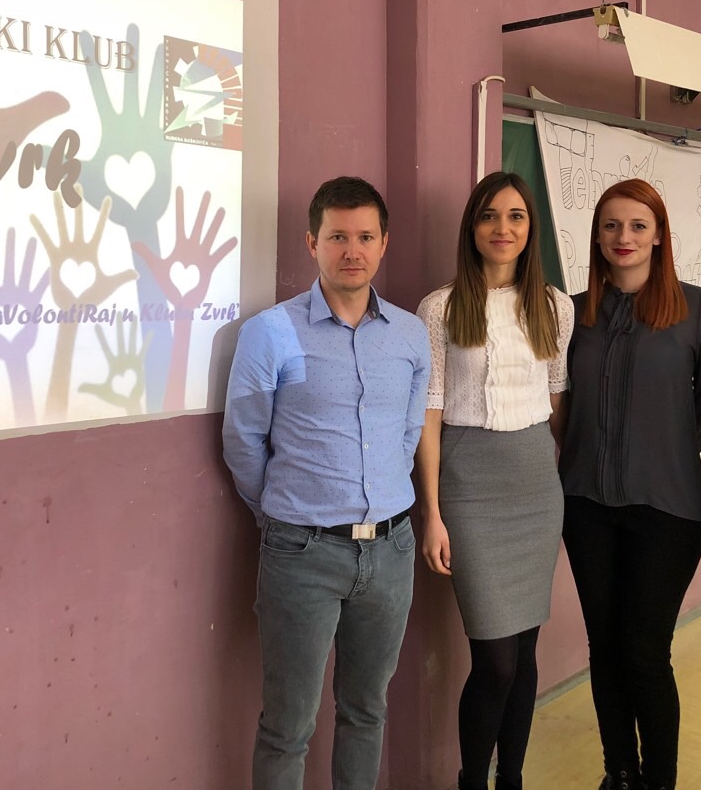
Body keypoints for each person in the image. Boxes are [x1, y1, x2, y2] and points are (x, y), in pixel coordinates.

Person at [222, 175, 430, 790]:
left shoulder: (411, 335)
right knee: (288, 727)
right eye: (338, 236)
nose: (352, 250)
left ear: (384, 243)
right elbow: (243, 441)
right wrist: (286, 514)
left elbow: (409, 433)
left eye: (365, 237)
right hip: (301, 553)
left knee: (367, 711)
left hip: (390, 551)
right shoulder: (271, 332)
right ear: (313, 242)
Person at [557, 178, 701, 790]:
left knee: (645, 652)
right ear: (596, 236)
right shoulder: (571, 312)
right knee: (604, 647)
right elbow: (563, 405)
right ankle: (620, 772)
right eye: (610, 225)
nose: (622, 237)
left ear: (659, 234)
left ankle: (659, 780)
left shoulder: (699, 308)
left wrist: (661, 454)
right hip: (585, 505)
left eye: (637, 225)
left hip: (668, 508)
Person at [415, 171, 573, 790]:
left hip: (536, 485)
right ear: (471, 227)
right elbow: (430, 413)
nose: (502, 228)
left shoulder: (554, 306)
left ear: (531, 229)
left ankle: (513, 777)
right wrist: (431, 512)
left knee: (525, 652)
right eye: (488, 216)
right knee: (496, 660)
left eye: (515, 216)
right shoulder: (440, 307)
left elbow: (557, 403)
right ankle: (472, 781)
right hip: (469, 485)